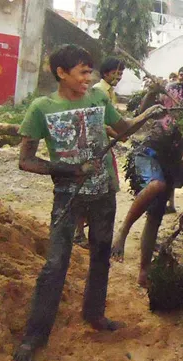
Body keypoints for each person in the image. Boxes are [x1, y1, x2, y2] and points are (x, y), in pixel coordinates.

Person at [12, 44, 164, 361]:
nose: (88, 78)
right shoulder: (42, 108)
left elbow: (123, 130)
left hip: (104, 195)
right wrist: (68, 170)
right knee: (55, 265)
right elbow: (25, 161)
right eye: (82, 72)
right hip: (67, 198)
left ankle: (94, 315)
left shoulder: (98, 99)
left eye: (89, 72)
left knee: (99, 256)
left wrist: (149, 113)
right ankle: (34, 337)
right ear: (61, 73)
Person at [111, 58, 183, 287]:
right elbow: (143, 112)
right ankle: (123, 231)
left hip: (172, 162)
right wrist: (151, 92)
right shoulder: (170, 91)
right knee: (155, 186)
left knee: (155, 217)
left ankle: (144, 272)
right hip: (150, 152)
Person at [73, 57, 127, 248]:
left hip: (103, 147)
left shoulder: (108, 92)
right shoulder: (99, 91)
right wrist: (116, 132)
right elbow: (98, 123)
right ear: (106, 74)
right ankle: (79, 233)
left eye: (121, 74)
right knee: (89, 191)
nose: (118, 77)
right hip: (93, 148)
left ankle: (85, 233)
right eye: (115, 73)